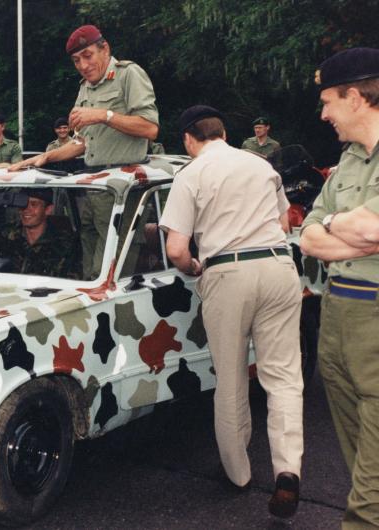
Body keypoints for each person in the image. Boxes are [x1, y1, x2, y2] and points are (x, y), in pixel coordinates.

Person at [160, 105, 303, 518]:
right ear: (222, 132)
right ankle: (288, 470)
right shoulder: (260, 165)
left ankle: (238, 474)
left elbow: (175, 249)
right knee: (283, 377)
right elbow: (284, 223)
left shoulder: (190, 174)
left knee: (231, 376)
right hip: (278, 267)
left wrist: (193, 268)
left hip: (227, 272)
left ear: (189, 138)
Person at [299, 47, 379, 528]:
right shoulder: (348, 159)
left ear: (356, 97)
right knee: (358, 463)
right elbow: (308, 238)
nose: (324, 113)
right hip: (336, 315)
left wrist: (351, 231)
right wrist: (340, 224)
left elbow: (372, 230)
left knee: (366, 500)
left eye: (329, 101)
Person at [10, 24, 159, 280]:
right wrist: (45, 157)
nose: (82, 65)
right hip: (90, 188)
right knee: (88, 270)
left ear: (105, 49)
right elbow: (81, 143)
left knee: (109, 272)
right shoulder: (85, 88)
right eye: (76, 60)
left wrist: (104, 115)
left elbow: (150, 128)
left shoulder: (128, 74)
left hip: (121, 187)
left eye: (87, 56)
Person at [0, 188, 75, 277]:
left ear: (48, 209)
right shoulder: (6, 234)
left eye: (34, 204)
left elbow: (73, 281)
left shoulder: (64, 242)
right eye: (23, 204)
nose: (26, 209)